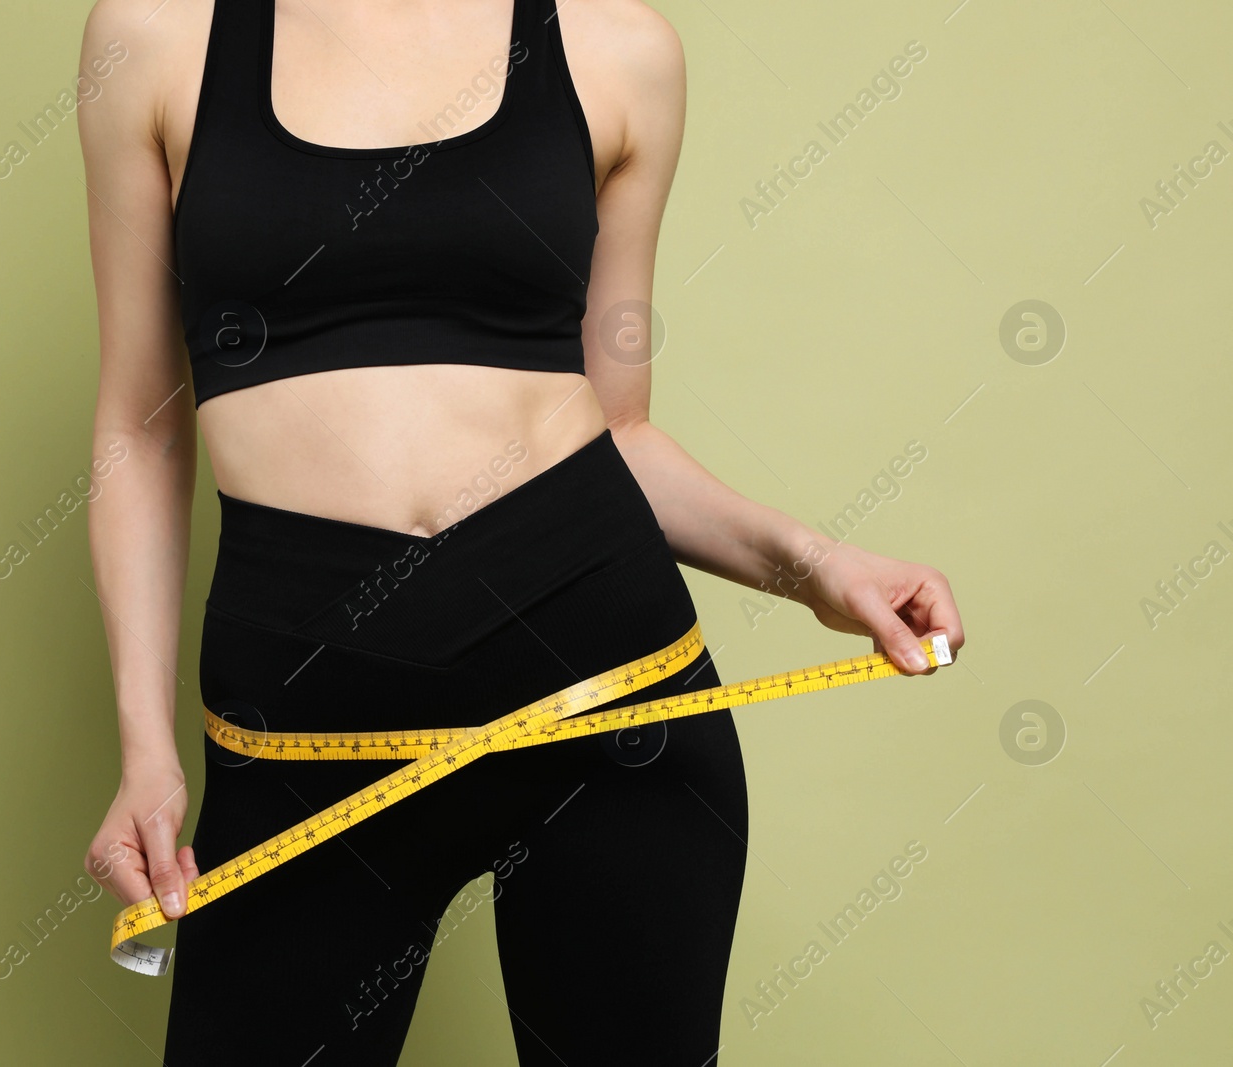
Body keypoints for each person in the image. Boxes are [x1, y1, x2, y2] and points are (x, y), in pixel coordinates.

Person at [75, 0, 965, 1062]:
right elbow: (140, 427)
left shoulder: (617, 48)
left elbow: (618, 428)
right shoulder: (161, 36)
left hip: (607, 700)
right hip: (302, 718)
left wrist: (813, 563)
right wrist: (146, 747)